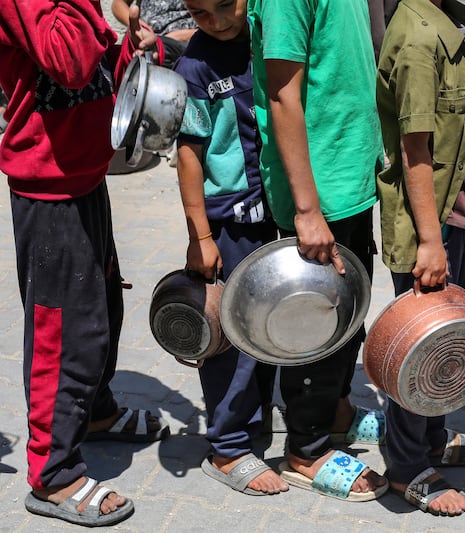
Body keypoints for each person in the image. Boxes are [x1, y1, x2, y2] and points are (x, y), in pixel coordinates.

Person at [0, 2, 169, 527]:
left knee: (101, 312)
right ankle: (53, 473)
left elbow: (92, 74)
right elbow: (69, 59)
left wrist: (134, 50)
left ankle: (95, 413)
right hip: (48, 188)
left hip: (82, 174)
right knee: (64, 332)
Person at [249, 0, 388, 501]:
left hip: (347, 180)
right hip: (317, 194)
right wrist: (307, 209)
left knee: (347, 317)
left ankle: (336, 412)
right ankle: (306, 452)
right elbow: (285, 95)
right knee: (313, 326)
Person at [375, 0, 465, 516]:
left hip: (457, 216)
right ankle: (406, 466)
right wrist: (429, 242)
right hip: (432, 226)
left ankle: (431, 439)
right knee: (419, 347)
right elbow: (415, 149)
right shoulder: (415, 37)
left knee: (446, 336)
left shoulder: (453, 20)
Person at [172, 0, 288, 497]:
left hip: (270, 213)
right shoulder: (194, 67)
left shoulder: (264, 41)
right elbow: (188, 154)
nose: (217, 21)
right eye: (199, 13)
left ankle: (254, 422)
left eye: (225, 5)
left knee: (264, 331)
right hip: (226, 226)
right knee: (229, 341)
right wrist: (200, 235)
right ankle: (226, 448)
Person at [112, 0, 197, 68]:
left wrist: (183, 37)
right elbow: (118, 3)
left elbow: (209, 22)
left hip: (186, 45)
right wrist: (137, 26)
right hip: (147, 40)